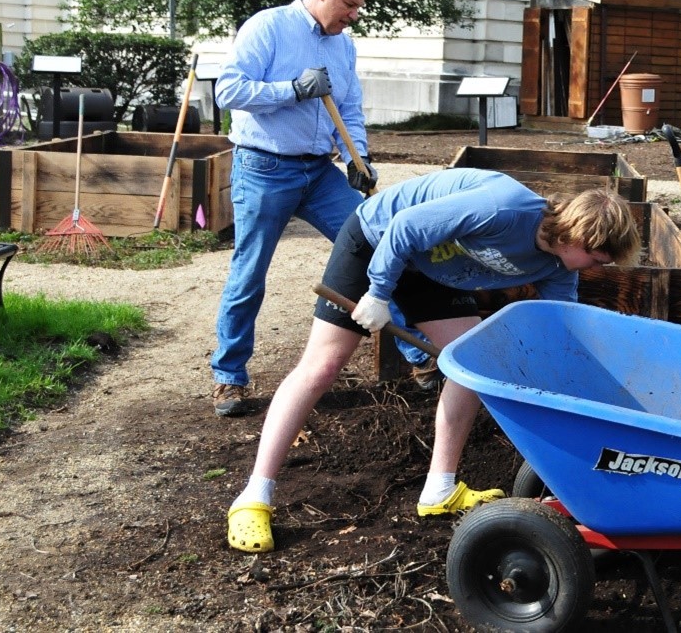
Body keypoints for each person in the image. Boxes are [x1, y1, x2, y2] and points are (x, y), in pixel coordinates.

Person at [224, 169, 641, 553]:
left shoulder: (558, 267)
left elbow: (560, 328)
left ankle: (439, 489)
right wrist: (378, 293)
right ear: (577, 239)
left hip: (432, 270)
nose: (598, 269)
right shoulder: (503, 208)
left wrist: (572, 385)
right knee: (323, 365)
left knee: (471, 364)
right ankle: (253, 497)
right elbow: (405, 226)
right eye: (598, 260)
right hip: (377, 239)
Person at [209, 0, 387, 417]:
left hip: (319, 173)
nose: (353, 15)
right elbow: (227, 92)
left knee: (376, 246)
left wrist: (358, 157)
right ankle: (229, 377)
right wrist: (292, 89)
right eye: (348, 4)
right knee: (250, 273)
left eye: (358, 7)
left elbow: (348, 111)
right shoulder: (267, 27)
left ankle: (415, 356)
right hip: (264, 168)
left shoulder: (343, 46)